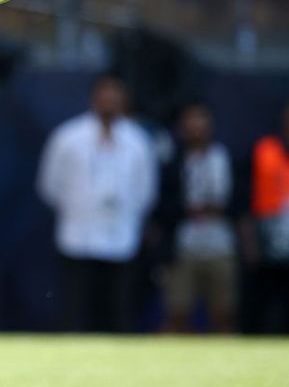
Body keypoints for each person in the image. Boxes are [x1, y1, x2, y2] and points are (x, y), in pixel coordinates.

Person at [37, 74, 158, 332]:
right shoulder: (68, 137)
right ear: (94, 98)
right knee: (75, 311)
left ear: (125, 101)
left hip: (122, 238)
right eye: (105, 94)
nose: (110, 101)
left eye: (116, 96)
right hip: (78, 237)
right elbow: (49, 185)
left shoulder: (138, 141)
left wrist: (128, 215)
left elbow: (146, 190)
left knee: (118, 310)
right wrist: (76, 208)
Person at [158, 102, 236, 332]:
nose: (195, 125)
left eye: (200, 118)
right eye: (189, 119)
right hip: (184, 246)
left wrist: (219, 210)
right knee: (177, 312)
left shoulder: (225, 156)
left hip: (220, 245)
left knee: (224, 312)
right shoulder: (172, 161)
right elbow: (163, 203)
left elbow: (240, 200)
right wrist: (186, 210)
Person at [239, 102, 289, 333]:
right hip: (267, 239)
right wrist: (250, 241)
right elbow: (245, 200)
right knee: (264, 305)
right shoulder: (263, 150)